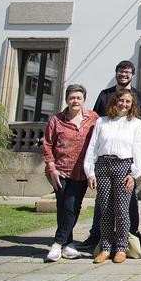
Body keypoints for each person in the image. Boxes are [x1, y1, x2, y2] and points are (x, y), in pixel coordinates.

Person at [81, 60, 141, 250]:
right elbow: (94, 121)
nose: (124, 75)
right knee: (103, 204)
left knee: (127, 203)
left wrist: (138, 164)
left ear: (133, 74)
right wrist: (90, 168)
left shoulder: (140, 97)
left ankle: (130, 237)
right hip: (103, 161)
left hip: (126, 161)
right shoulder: (104, 95)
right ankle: (98, 237)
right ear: (116, 73)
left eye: (127, 72)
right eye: (121, 71)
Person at [43, 84, 99, 262]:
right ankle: (66, 244)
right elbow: (47, 145)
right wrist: (51, 168)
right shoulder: (56, 120)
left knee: (73, 206)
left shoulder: (93, 118)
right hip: (60, 170)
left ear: (84, 100)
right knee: (63, 206)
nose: (75, 101)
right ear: (66, 100)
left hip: (82, 172)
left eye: (78, 98)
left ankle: (58, 244)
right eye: (72, 98)